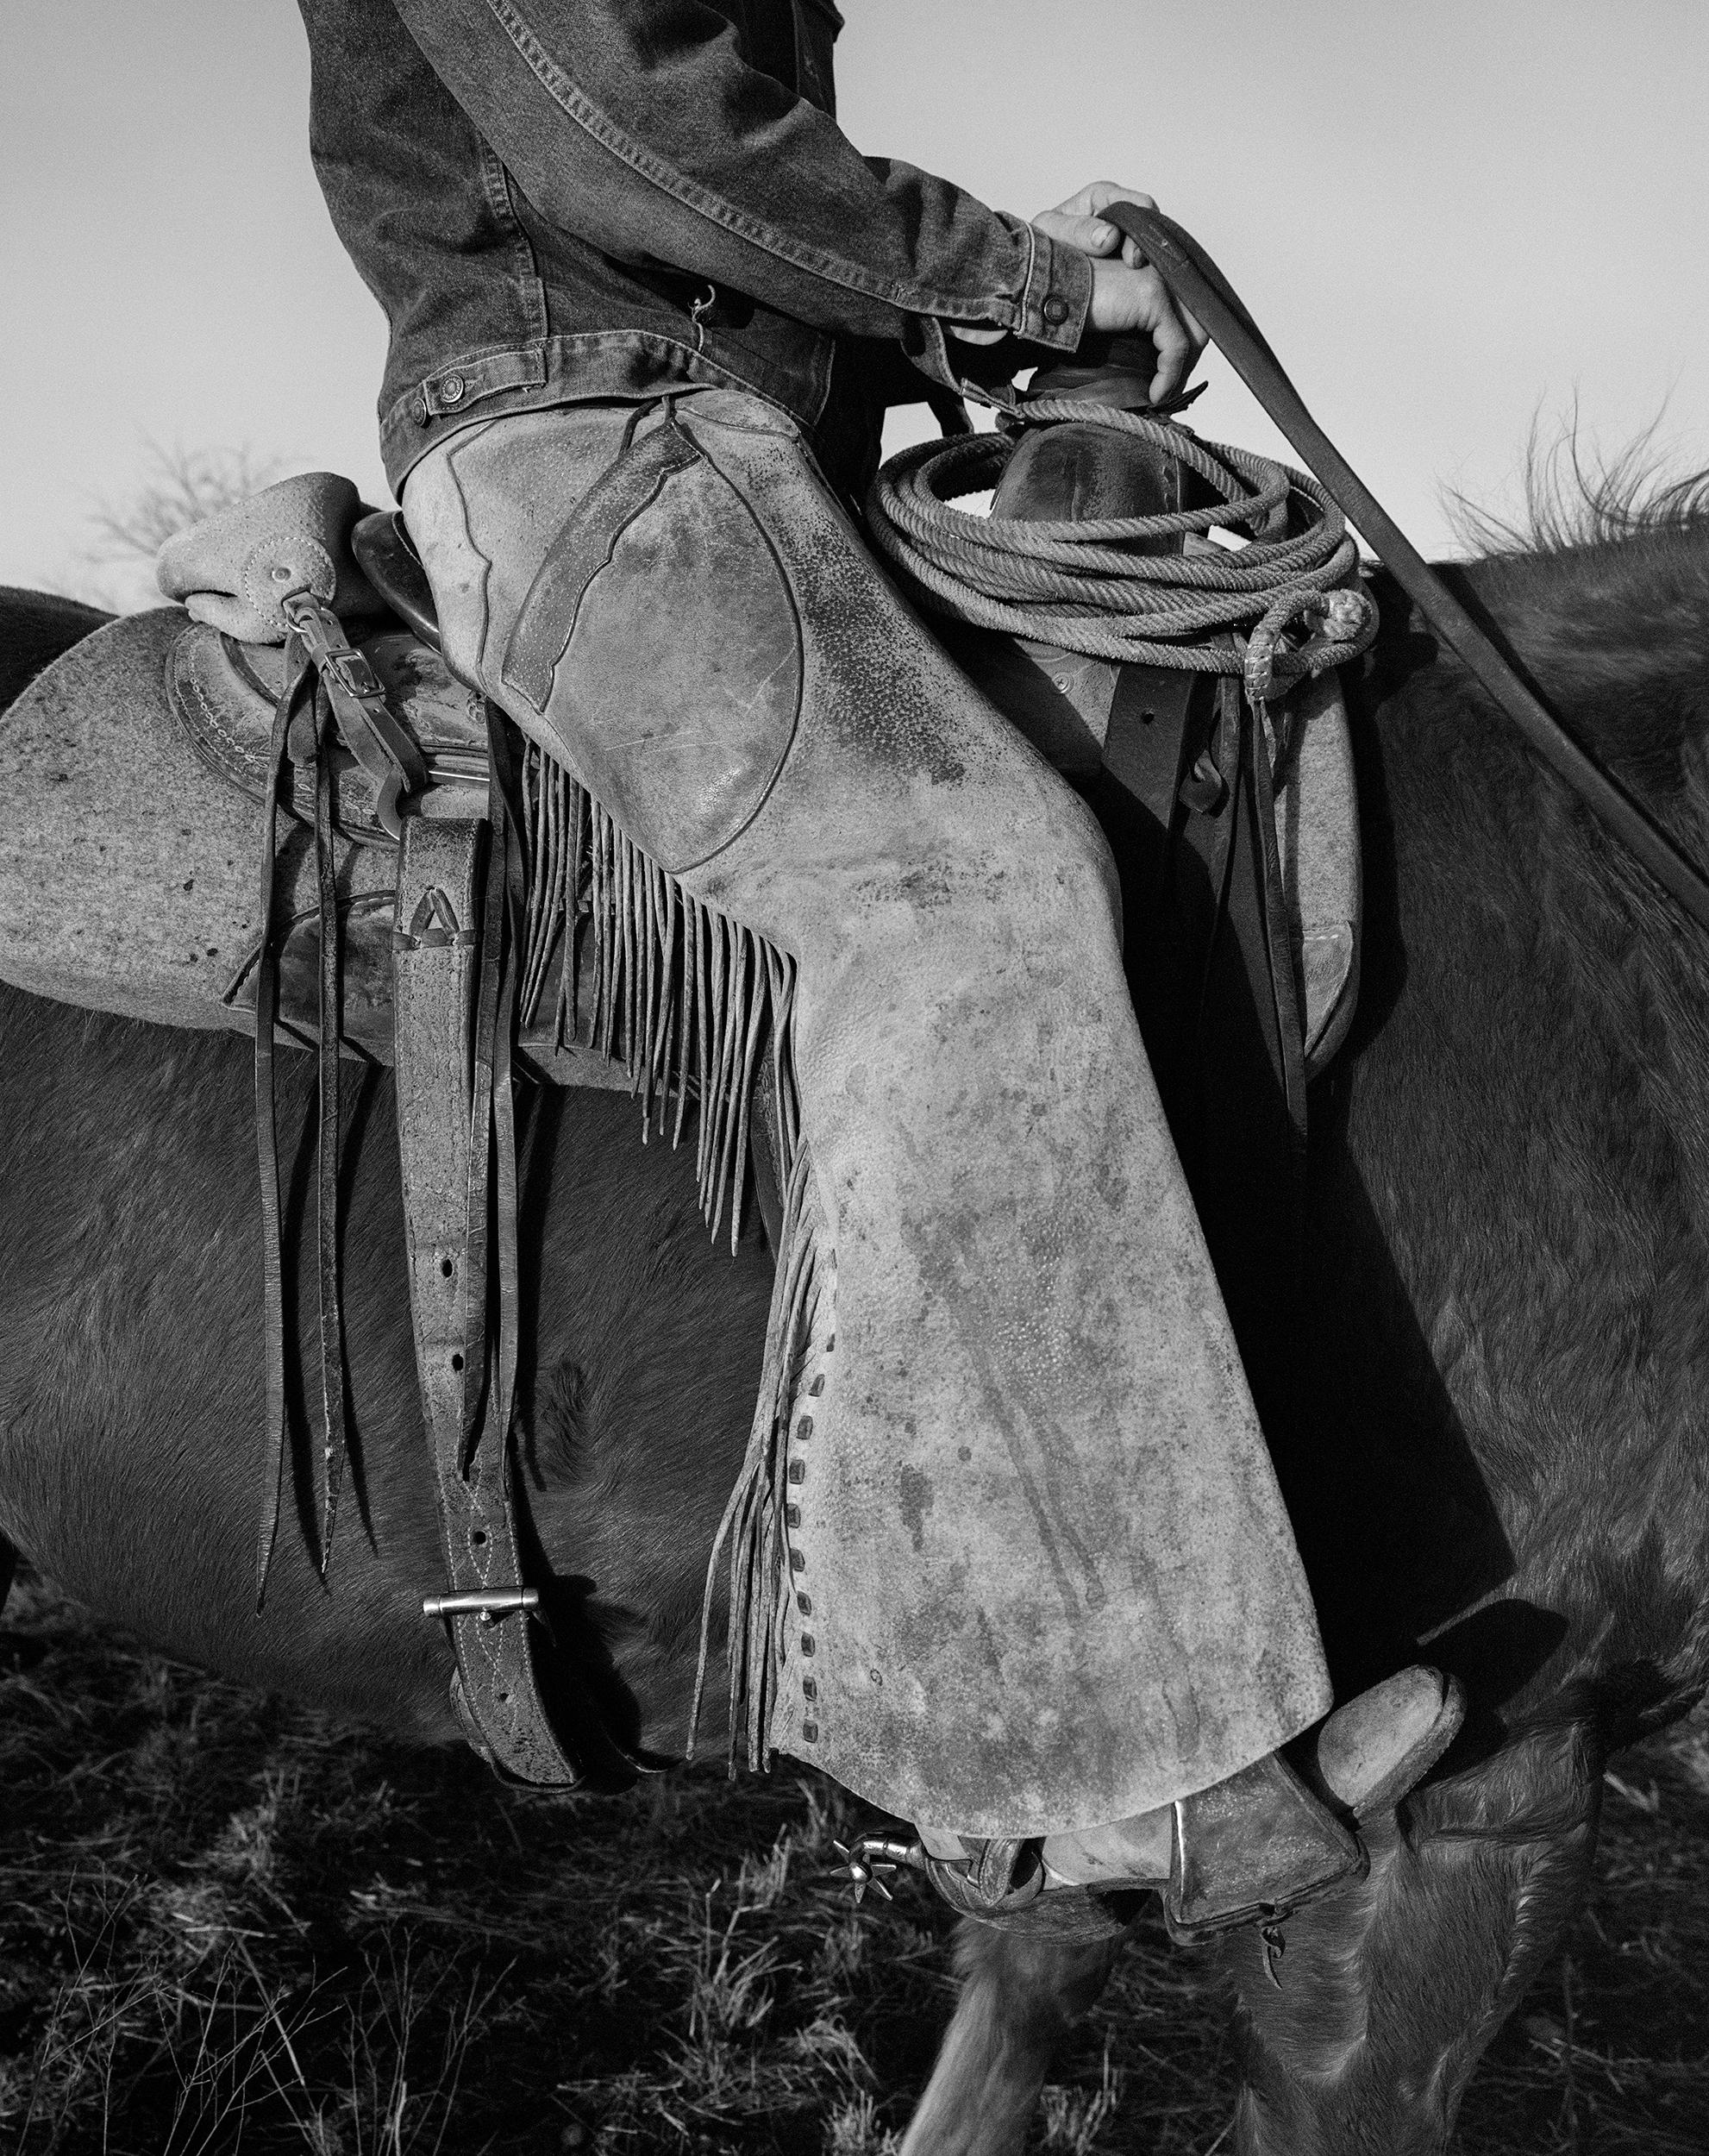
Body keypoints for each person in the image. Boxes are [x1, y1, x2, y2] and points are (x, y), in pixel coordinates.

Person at [291, 0, 1440, 1928]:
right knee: (961, 886)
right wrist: (1021, 278)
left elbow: (711, 197)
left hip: (732, 434)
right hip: (592, 444)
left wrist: (967, 295)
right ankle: (1082, 1760)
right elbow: (626, 136)